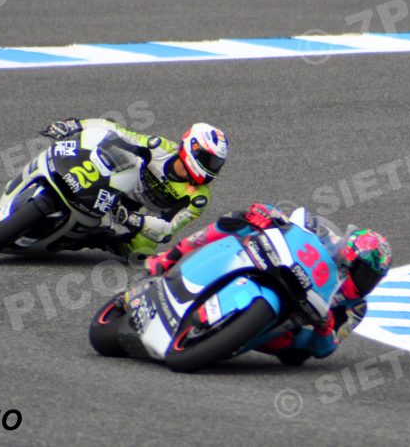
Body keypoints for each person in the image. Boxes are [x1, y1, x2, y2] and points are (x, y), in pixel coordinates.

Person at [145, 203, 392, 365]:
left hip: (298, 324)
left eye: (372, 277)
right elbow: (300, 227)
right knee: (237, 220)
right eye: (364, 272)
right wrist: (270, 215)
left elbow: (326, 349)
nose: (365, 281)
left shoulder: (356, 308)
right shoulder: (332, 245)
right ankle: (169, 258)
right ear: (349, 257)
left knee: (299, 347)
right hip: (284, 270)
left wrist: (325, 327)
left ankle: (228, 337)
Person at [42, 117, 228, 259]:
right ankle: (59, 174)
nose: (212, 168)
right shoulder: (159, 148)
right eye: (208, 160)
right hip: (121, 183)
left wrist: (132, 219)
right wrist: (75, 124)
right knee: (108, 148)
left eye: (216, 164)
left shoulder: (198, 197)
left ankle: (84, 240)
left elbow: (168, 229)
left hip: (140, 214)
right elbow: (119, 133)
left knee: (141, 251)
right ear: (192, 147)